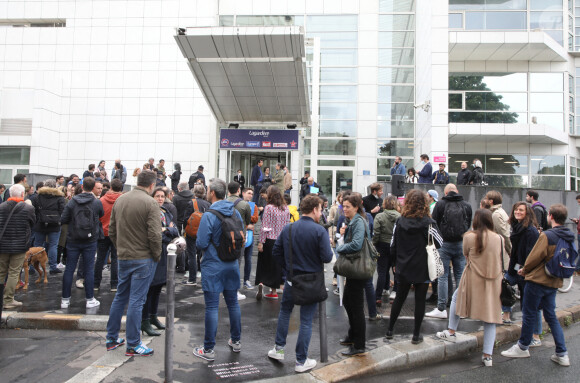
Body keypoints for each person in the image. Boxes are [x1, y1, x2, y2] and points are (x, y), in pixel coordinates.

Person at [267, 194, 334, 372]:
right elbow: (327, 257)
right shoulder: (320, 231)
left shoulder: (288, 228)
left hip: (292, 279)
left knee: (285, 311)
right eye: (320, 209)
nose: (321, 213)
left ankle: (279, 349)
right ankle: (300, 361)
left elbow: (276, 252)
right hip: (311, 281)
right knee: (305, 321)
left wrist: (288, 267)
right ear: (314, 210)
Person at [501, 204, 573, 367]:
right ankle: (562, 353)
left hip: (538, 280)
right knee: (551, 316)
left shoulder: (547, 236)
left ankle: (522, 346)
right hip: (554, 280)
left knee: (529, 312)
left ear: (551, 217)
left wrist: (523, 270)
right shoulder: (568, 236)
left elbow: (534, 257)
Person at [436, 209, 502, 367]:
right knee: (490, 318)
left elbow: (466, 255)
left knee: (456, 299)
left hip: (472, 277)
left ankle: (451, 331)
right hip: (493, 280)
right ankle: (487, 356)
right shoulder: (499, 238)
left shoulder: (469, 237)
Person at [105, 170, 162, 356]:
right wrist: (156, 254)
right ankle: (133, 343)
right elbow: (155, 235)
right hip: (143, 258)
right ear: (152, 185)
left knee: (121, 296)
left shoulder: (120, 199)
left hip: (124, 256)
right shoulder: (150, 203)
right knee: (137, 301)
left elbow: (112, 230)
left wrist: (120, 247)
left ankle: (112, 338)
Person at [193, 178, 244, 362]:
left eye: (208, 190)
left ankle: (208, 349)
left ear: (212, 193)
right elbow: (241, 237)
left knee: (212, 306)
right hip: (231, 264)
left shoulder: (209, 215)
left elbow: (201, 243)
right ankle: (236, 341)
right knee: (233, 304)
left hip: (213, 265)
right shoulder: (235, 213)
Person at [387, 189, 443, 344]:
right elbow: (439, 242)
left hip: (403, 265)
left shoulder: (400, 221)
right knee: (420, 301)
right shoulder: (429, 223)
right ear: (425, 203)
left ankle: (390, 329)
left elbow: (393, 245)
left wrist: (394, 264)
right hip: (422, 266)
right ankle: (416, 335)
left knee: (399, 298)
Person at [426, 184, 472, 319]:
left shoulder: (440, 204)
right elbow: (468, 223)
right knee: (459, 276)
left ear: (445, 193)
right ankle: (461, 307)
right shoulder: (466, 205)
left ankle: (441, 308)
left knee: (443, 276)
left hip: (444, 244)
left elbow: (434, 223)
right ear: (456, 191)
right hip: (460, 243)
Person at [337, 193, 374, 356]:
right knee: (348, 301)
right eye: (343, 206)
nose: (344, 209)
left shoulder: (359, 221)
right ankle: (353, 336)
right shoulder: (355, 220)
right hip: (355, 268)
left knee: (356, 306)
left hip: (358, 268)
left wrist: (340, 248)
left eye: (348, 207)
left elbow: (357, 244)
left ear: (356, 207)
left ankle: (359, 344)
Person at [60, 177, 104, 310]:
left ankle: (65, 300)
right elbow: (101, 214)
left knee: (69, 269)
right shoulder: (96, 202)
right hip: (90, 240)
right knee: (89, 269)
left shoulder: (73, 201)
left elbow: (64, 219)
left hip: (73, 239)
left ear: (82, 185)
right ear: (93, 188)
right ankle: (90, 299)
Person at [141, 187, 179, 336]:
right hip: (152, 253)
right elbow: (154, 235)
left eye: (163, 196)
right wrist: (165, 231)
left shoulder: (165, 212)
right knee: (149, 289)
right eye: (157, 196)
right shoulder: (149, 212)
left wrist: (165, 230)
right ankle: (144, 321)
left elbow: (175, 230)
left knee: (157, 288)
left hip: (165, 254)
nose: (160, 199)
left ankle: (153, 317)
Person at [503, 202, 542, 340]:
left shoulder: (530, 231)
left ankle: (536, 335)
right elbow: (515, 251)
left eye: (521, 210)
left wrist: (525, 269)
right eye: (516, 210)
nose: (517, 212)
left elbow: (531, 253)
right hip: (516, 268)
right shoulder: (516, 227)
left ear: (527, 213)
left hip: (527, 271)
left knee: (530, 304)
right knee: (504, 287)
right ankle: (506, 316)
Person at [0, 184, 35, 309]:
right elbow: (32, 223)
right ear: (22, 194)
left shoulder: (1, 207)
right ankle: (8, 299)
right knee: (14, 272)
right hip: (20, 245)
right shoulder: (28, 208)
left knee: (1, 272)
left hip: (2, 244)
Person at [255, 185, 289, 300]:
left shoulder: (269, 207)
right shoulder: (285, 208)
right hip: (281, 241)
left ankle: (261, 283)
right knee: (277, 266)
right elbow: (287, 225)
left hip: (269, 240)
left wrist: (261, 242)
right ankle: (274, 290)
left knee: (263, 263)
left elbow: (265, 226)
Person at [94, 179, 123, 292]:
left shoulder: (101, 200)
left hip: (103, 232)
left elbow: (98, 217)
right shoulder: (123, 201)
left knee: (100, 258)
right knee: (116, 259)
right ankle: (114, 285)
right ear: (121, 188)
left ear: (110, 187)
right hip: (117, 233)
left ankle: (95, 284)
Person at [32, 179, 65, 274]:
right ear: (55, 186)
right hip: (55, 224)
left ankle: (34, 266)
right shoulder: (59, 197)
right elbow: (62, 211)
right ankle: (53, 267)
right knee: (53, 246)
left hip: (40, 223)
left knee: (37, 245)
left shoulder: (38, 197)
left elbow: (34, 211)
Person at [226, 181, 252, 300]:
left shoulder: (223, 202)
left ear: (228, 191)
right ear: (238, 191)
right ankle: (234, 291)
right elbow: (247, 222)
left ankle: (225, 289)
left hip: (225, 236)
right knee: (237, 263)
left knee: (225, 262)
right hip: (239, 237)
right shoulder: (244, 205)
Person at [373, 195, 400, 307]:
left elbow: (376, 233)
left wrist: (374, 244)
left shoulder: (379, 216)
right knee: (396, 271)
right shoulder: (400, 216)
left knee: (382, 271)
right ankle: (395, 292)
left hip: (382, 245)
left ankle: (378, 296)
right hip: (396, 246)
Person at [241, 187, 259, 289]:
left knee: (248, 259)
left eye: (252, 194)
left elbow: (255, 218)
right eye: (249, 193)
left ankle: (246, 280)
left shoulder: (254, 206)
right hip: (242, 233)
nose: (250, 195)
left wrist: (246, 216)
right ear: (243, 193)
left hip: (250, 235)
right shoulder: (239, 204)